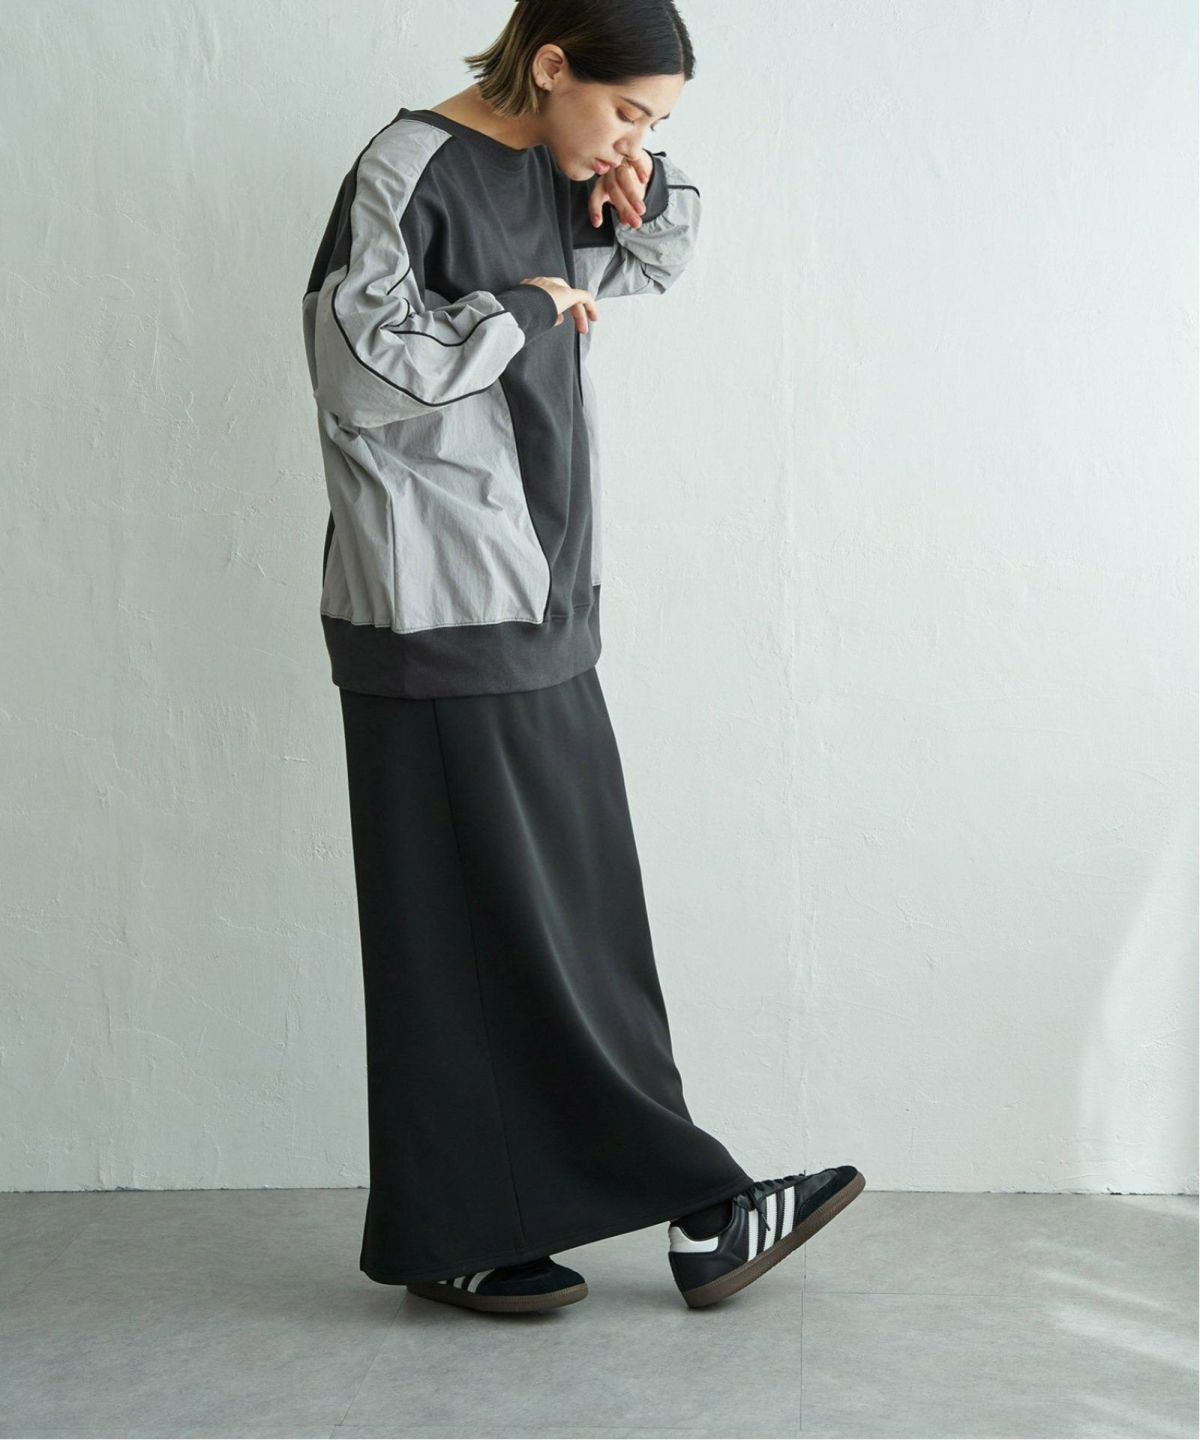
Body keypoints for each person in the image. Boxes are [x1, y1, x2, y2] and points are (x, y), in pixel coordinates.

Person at [301, 0, 863, 1316]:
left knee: (558, 918)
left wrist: (635, 182)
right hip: (436, 604)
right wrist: (522, 305)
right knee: (508, 931)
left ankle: (463, 1231)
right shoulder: (411, 167)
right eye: (626, 111)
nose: (632, 138)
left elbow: (644, 271)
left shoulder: (551, 164)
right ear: (550, 64)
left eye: (656, 123)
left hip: (536, 596)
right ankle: (702, 1202)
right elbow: (361, 368)